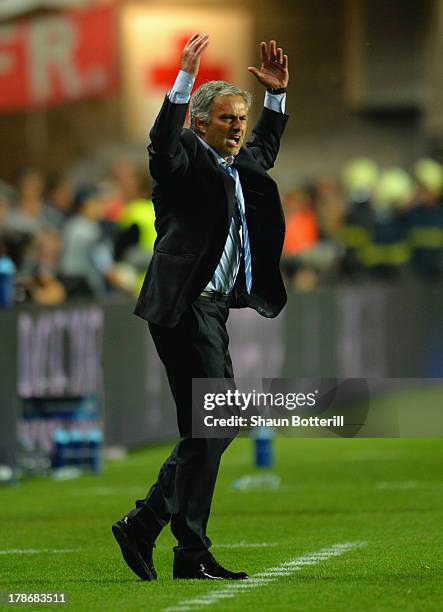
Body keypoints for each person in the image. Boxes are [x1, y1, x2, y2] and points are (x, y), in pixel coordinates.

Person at [112, 33, 289, 581]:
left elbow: (265, 147)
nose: (238, 126)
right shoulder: (184, 155)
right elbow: (162, 144)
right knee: (216, 422)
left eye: (242, 118)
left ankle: (144, 525)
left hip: (210, 309)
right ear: (201, 122)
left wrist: (276, 99)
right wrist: (183, 84)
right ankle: (187, 549)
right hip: (185, 304)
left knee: (213, 426)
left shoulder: (241, 165)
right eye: (228, 119)